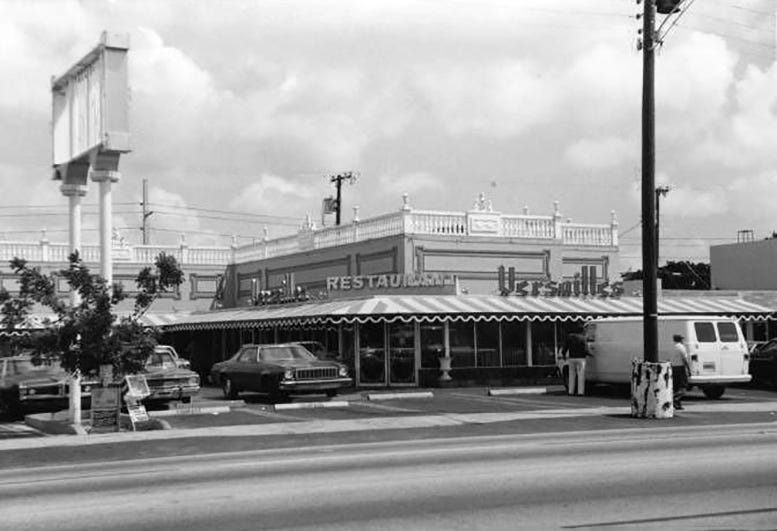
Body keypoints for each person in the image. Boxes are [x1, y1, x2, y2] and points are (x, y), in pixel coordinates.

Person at [671, 334, 691, 410]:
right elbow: (684, 359)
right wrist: (688, 369)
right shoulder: (681, 347)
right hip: (680, 368)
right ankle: (675, 399)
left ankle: (677, 404)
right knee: (683, 386)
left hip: (674, 367)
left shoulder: (673, 347)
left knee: (676, 386)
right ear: (680, 340)